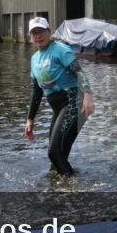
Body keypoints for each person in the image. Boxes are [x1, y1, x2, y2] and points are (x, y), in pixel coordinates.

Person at [24, 17, 95, 175]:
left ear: (49, 32)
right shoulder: (35, 60)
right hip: (59, 108)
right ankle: (63, 190)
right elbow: (37, 92)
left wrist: (88, 95)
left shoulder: (60, 50)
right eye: (34, 33)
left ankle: (71, 190)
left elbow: (79, 72)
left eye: (42, 31)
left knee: (54, 153)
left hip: (74, 103)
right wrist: (30, 119)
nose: (38, 36)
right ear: (31, 36)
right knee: (55, 159)